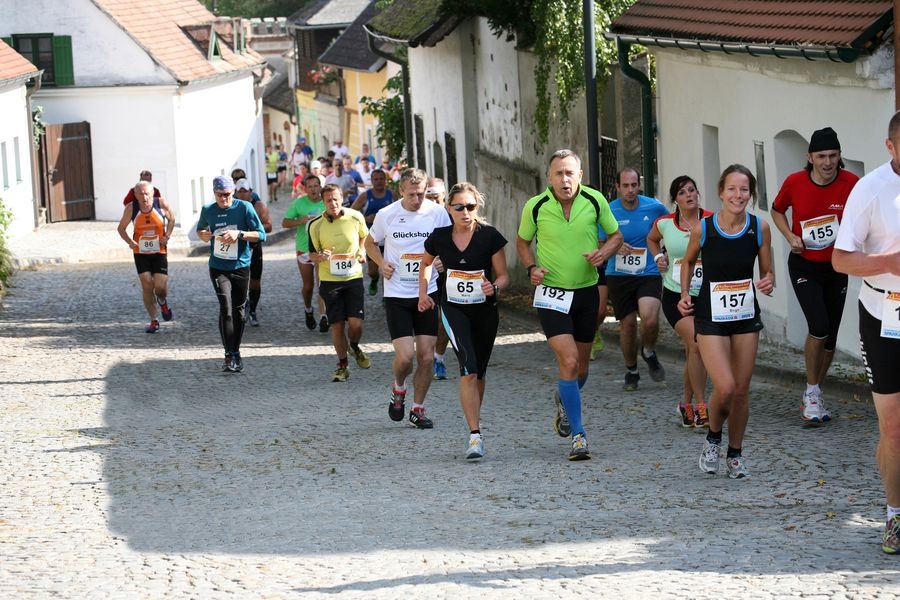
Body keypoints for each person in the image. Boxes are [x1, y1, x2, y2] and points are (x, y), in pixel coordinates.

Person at [516, 149, 623, 460]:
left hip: (586, 292)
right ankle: (579, 435)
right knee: (570, 361)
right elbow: (523, 242)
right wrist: (530, 268)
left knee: (581, 367)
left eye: (570, 173)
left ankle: (565, 396)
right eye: (558, 173)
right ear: (549, 177)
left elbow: (616, 235)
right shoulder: (535, 206)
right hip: (551, 295)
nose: (564, 179)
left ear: (580, 176)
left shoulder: (594, 201)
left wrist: (604, 254)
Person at [678, 164, 775, 479]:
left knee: (742, 390)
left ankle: (735, 454)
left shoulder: (759, 228)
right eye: (732, 189)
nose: (738, 195)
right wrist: (684, 293)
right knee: (726, 386)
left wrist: (768, 281)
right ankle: (713, 436)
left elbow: (767, 271)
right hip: (711, 316)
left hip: (745, 315)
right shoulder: (703, 228)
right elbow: (689, 261)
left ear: (751, 194)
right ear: (721, 192)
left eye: (744, 189)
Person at [832, 111, 900, 554]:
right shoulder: (869, 189)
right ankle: (895, 516)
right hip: (883, 313)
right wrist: (889, 263)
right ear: (891, 147)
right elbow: (841, 259)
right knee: (893, 428)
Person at [771, 127, 859, 424]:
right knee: (819, 326)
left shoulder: (852, 183)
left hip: (836, 267)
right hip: (804, 265)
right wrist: (789, 236)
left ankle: (815, 390)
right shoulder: (795, 182)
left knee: (831, 337)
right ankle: (811, 391)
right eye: (821, 156)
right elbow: (777, 210)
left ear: (839, 156)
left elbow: (863, 216)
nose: (827, 162)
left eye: (833, 155)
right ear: (809, 157)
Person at [418, 182, 509, 459]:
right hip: (453, 309)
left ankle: (475, 423)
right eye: (459, 207)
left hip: (484, 311)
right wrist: (423, 293)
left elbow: (504, 275)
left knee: (479, 371)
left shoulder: (490, 236)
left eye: (471, 206)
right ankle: (474, 435)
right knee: (468, 368)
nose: (466, 212)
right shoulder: (440, 237)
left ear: (477, 207)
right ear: (449, 208)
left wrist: (495, 287)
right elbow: (424, 264)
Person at [364, 168, 452, 428]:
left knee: (425, 357)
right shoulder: (387, 215)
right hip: (397, 294)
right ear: (400, 190)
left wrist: (442, 260)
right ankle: (399, 387)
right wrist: (381, 263)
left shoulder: (437, 213)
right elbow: (369, 243)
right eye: (412, 194)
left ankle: (418, 408)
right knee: (405, 358)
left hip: (428, 291)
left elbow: (450, 243)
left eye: (422, 193)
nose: (417, 199)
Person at [646, 175, 713, 428]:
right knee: (697, 344)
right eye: (683, 192)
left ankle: (685, 404)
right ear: (675, 199)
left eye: (693, 190)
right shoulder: (665, 224)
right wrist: (657, 258)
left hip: (705, 295)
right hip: (675, 295)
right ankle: (701, 406)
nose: (689, 195)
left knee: (692, 350)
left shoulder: (712, 220)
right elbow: (651, 239)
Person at [603, 168, 670, 391]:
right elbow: (597, 242)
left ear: (638, 185)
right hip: (619, 275)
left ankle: (648, 350)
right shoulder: (608, 211)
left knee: (650, 319)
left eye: (634, 185)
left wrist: (666, 253)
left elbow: (671, 228)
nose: (630, 190)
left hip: (648, 272)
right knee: (629, 326)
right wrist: (614, 246)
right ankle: (631, 369)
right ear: (618, 187)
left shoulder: (654, 207)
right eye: (626, 186)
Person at [196, 175, 267, 372]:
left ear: (233, 192)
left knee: (238, 311)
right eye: (220, 195)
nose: (224, 199)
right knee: (225, 308)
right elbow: (200, 230)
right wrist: (203, 235)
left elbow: (262, 234)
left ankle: (236, 351)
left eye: (227, 195)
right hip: (218, 267)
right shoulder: (208, 210)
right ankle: (228, 354)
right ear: (214, 194)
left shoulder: (244, 208)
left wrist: (240, 234)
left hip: (241, 266)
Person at [308, 184, 372, 382]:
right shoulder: (315, 225)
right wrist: (320, 256)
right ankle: (342, 365)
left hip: (353, 277)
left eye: (336, 199)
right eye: (328, 200)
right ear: (323, 202)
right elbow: (311, 254)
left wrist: (362, 251)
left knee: (356, 324)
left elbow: (365, 238)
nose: (333, 203)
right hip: (329, 281)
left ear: (341, 197)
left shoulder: (355, 217)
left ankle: (354, 346)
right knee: (336, 325)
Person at [116, 180, 175, 333]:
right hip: (140, 252)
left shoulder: (161, 204)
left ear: (152, 193)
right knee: (147, 284)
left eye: (147, 194)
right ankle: (154, 320)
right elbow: (121, 228)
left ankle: (162, 301)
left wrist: (167, 235)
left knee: (160, 288)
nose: (145, 197)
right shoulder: (131, 208)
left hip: (159, 251)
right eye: (141, 194)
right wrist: (130, 242)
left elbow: (172, 220)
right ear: (135, 195)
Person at [283, 174, 328, 332]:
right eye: (310, 187)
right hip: (304, 248)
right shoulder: (299, 203)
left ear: (320, 186)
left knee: (321, 283)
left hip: (322, 248)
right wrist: (301, 221)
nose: (314, 189)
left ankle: (324, 316)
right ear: (305, 189)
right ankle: (308, 310)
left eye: (316, 186)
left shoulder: (327, 201)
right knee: (308, 286)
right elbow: (285, 222)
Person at [234, 178, 273, 327]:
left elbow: (269, 227)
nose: (242, 194)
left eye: (245, 191)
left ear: (251, 191)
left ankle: (253, 310)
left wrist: (253, 228)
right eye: (240, 191)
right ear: (236, 193)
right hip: (237, 247)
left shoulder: (258, 206)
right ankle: (241, 307)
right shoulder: (232, 206)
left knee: (255, 282)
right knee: (237, 280)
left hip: (254, 246)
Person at [423, 178, 451, 380]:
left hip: (447, 276)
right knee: (427, 322)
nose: (433, 202)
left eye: (437, 198)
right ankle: (425, 354)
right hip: (421, 275)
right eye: (429, 198)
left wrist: (448, 262)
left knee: (446, 320)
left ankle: (438, 357)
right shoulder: (417, 216)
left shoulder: (455, 215)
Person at [351, 168, 395, 296]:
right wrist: (365, 218)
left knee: (386, 268)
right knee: (372, 271)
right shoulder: (365, 196)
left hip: (389, 237)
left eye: (381, 179)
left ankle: (386, 296)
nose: (379, 181)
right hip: (372, 238)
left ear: (385, 180)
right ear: (371, 181)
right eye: (376, 179)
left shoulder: (392, 195)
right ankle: (374, 280)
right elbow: (352, 213)